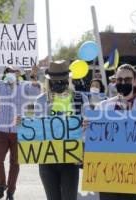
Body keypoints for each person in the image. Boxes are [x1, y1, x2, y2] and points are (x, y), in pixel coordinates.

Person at [95, 64, 136, 200]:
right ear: (115, 81)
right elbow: (91, 141)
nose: (123, 82)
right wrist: (88, 129)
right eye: (119, 79)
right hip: (107, 171)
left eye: (127, 79)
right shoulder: (103, 107)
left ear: (135, 81)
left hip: (133, 172)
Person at [29, 60, 89, 200]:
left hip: (71, 159)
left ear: (68, 79)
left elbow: (89, 130)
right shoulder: (41, 100)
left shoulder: (80, 98)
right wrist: (23, 123)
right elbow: (38, 129)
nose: (59, 83)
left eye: (62, 80)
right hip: (48, 159)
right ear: (49, 81)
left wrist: (84, 132)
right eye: (55, 80)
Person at [0, 65, 41, 200]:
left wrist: (34, 75)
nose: (10, 73)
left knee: (15, 163)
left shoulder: (25, 86)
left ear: (19, 73)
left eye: (13, 71)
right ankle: (2, 185)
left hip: (18, 130)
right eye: (8, 71)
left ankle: (10, 191)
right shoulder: (1, 85)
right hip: (2, 130)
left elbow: (36, 91)